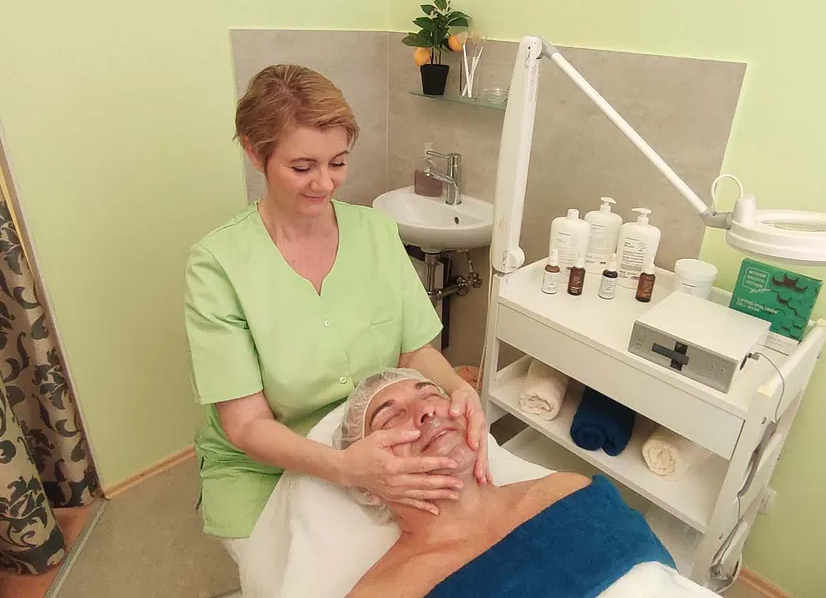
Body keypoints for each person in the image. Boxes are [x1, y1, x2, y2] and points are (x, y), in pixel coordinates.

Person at [183, 64, 490, 596]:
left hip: (370, 439)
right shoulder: (218, 266)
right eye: (302, 166)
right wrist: (347, 469)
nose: (324, 183)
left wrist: (458, 389)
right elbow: (247, 425)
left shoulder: (375, 232)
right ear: (255, 153)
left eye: (338, 162)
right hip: (262, 467)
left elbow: (415, 350)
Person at [334, 369, 676, 598]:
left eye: (431, 395)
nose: (427, 412)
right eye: (390, 418)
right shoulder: (385, 591)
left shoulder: (569, 490)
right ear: (367, 484)